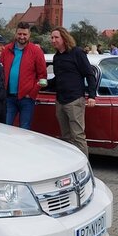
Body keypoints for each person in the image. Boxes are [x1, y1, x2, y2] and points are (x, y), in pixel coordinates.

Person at [50, 26, 97, 156]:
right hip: (60, 100)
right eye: (52, 38)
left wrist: (92, 96)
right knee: (65, 137)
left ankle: (84, 163)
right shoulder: (56, 57)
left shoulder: (77, 53)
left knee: (77, 135)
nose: (53, 40)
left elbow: (89, 74)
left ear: (64, 38)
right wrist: (43, 84)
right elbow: (58, 78)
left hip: (74, 100)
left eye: (56, 37)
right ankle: (70, 162)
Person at [1, 23, 47, 129]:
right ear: (15, 34)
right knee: (4, 127)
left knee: (24, 129)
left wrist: (32, 93)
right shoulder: (6, 50)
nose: (22, 37)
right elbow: (0, 71)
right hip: (8, 97)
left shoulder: (36, 51)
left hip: (27, 99)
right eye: (19, 34)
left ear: (29, 35)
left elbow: (42, 76)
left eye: (25, 34)